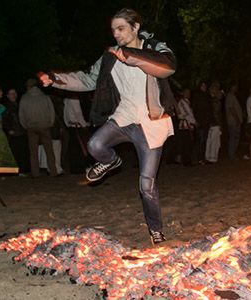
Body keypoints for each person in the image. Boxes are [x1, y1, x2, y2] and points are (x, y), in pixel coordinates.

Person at [39, 8, 176, 244]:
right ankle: (111, 161)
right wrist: (55, 79)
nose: (116, 34)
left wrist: (130, 55)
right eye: (113, 30)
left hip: (150, 124)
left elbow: (168, 67)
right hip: (124, 117)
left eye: (121, 28)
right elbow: (88, 78)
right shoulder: (110, 56)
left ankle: (155, 230)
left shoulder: (154, 47)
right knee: (95, 144)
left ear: (135, 27)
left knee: (146, 185)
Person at [19, 78, 58, 177]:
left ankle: (35, 173)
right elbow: (52, 112)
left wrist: (26, 126)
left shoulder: (24, 98)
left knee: (33, 151)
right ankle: (53, 171)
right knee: (49, 150)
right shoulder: (45, 97)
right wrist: (50, 123)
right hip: (45, 126)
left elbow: (21, 115)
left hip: (31, 127)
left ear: (28, 87)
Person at [225, 83, 243, 159]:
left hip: (235, 121)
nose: (236, 88)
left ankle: (233, 153)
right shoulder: (230, 96)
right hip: (233, 121)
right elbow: (231, 108)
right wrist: (237, 119)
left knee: (236, 137)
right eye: (235, 86)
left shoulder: (233, 96)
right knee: (233, 137)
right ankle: (231, 154)